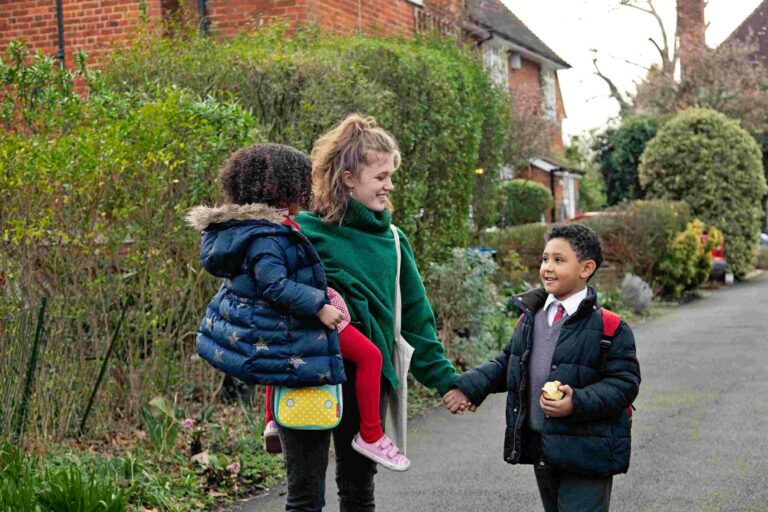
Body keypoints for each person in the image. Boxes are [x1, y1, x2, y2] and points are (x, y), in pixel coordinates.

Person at [187, 142, 410, 471]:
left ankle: (272, 419)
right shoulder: (270, 234)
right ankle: (372, 434)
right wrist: (320, 305)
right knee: (370, 356)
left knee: (276, 357)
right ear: (284, 189)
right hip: (301, 316)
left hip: (275, 324)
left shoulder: (250, 229)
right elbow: (275, 284)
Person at [281, 114, 459, 511]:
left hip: (367, 382)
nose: (389, 186)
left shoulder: (393, 242)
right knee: (305, 496)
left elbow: (415, 319)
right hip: (306, 372)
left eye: (390, 176)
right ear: (348, 178)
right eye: (380, 177)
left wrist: (445, 380)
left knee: (358, 493)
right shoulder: (301, 231)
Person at [446, 224, 641, 512]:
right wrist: (469, 387)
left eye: (559, 260)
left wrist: (575, 402)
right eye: (545, 259)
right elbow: (508, 362)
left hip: (588, 451)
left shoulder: (609, 327)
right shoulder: (531, 317)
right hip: (544, 446)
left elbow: (624, 385)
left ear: (586, 268)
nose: (547, 268)